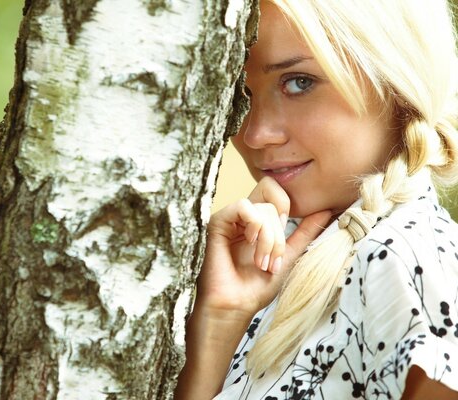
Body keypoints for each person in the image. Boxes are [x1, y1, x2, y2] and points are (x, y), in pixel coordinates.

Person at [175, 0, 458, 398]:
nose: (255, 134)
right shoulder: (275, 259)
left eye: (298, 82)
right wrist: (223, 316)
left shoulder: (413, 263)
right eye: (239, 93)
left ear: (396, 80)